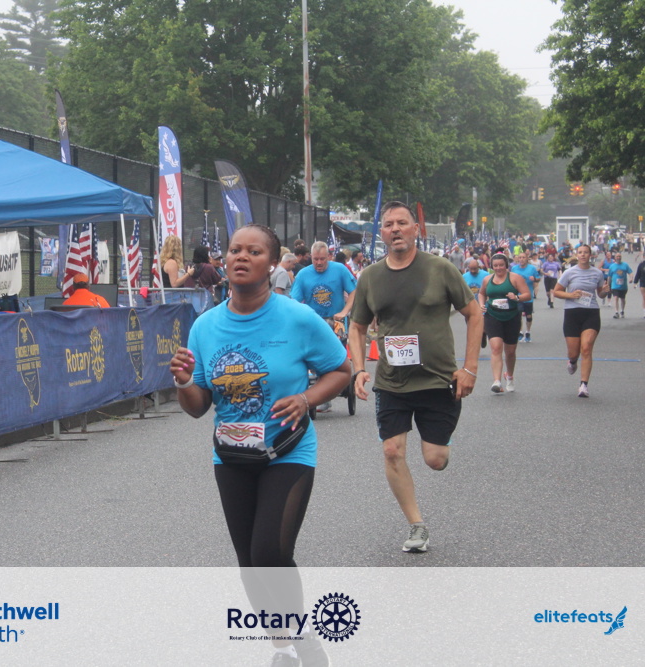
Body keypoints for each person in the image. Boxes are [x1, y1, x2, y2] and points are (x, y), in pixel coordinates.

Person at [170, 224, 349, 667]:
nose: (241, 257)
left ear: (272, 264)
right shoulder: (205, 327)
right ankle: (282, 646)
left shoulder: (297, 318)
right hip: (231, 456)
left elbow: (341, 371)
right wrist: (184, 382)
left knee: (270, 551)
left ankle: (304, 639)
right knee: (249, 560)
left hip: (288, 450)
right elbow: (198, 407)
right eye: (235, 250)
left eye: (254, 251)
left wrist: (306, 399)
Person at [348, 201, 482, 554]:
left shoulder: (440, 269)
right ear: (381, 233)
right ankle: (416, 525)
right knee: (392, 451)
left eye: (402, 223)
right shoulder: (370, 277)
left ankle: (439, 445)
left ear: (415, 229)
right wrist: (359, 369)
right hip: (392, 382)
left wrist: (469, 368)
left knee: (435, 460)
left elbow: (474, 313)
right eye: (388, 224)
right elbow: (357, 327)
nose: (395, 229)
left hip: (437, 380)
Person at [291, 241, 357, 413]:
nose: (319, 263)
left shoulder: (340, 270)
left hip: (336, 319)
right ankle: (318, 387)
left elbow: (354, 291)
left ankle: (334, 383)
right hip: (314, 320)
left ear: (329, 257)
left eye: (322, 259)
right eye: (315, 259)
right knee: (313, 353)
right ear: (311, 258)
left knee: (336, 352)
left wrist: (345, 311)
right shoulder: (303, 274)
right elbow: (294, 301)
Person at [553, 244, 609, 397]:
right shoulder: (569, 272)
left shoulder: (597, 273)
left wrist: (605, 292)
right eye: (580, 252)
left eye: (586, 252)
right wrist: (570, 295)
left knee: (586, 347)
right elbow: (556, 292)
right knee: (573, 352)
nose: (583, 255)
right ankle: (572, 361)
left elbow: (600, 294)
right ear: (576, 255)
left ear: (590, 255)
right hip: (572, 313)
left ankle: (583, 385)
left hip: (591, 312)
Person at [478, 253, 530, 393]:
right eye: (495, 265)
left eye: (501, 265)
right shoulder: (487, 279)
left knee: (510, 352)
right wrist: (481, 304)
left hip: (511, 316)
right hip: (492, 315)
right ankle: (497, 381)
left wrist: (517, 297)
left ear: (506, 265)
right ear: (492, 267)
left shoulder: (515, 278)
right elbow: (482, 293)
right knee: (496, 348)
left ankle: (510, 376)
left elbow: (527, 295)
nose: (498, 268)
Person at [510, 251, 540, 343]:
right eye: (520, 257)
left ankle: (528, 332)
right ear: (518, 259)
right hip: (518, 296)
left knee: (528, 315)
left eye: (523, 257)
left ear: (527, 259)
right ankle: (520, 332)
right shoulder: (514, 268)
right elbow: (510, 279)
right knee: (518, 315)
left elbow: (538, 278)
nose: (521, 259)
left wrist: (534, 279)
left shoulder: (532, 268)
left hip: (528, 295)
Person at [606, 252, 632, 318]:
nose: (618, 258)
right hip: (615, 286)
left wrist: (631, 278)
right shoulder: (612, 266)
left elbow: (630, 272)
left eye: (619, 256)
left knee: (623, 299)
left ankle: (622, 311)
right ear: (615, 258)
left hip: (623, 286)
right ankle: (616, 312)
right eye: (617, 256)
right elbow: (609, 276)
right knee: (616, 298)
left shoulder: (625, 265)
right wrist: (608, 285)